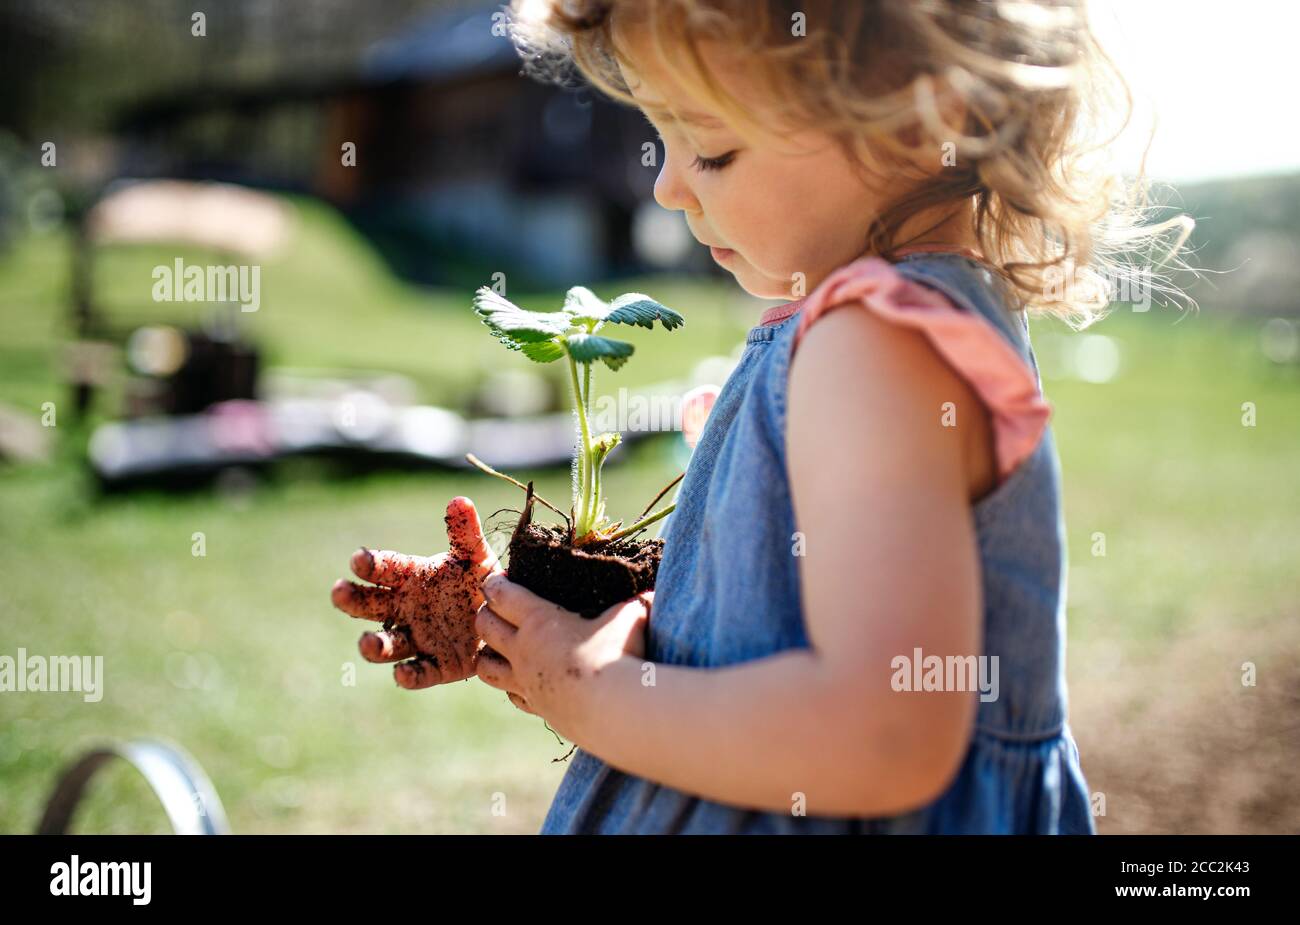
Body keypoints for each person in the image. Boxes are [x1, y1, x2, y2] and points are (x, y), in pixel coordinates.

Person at [332, 0, 1189, 833]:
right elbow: (752, 632)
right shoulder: (868, 329)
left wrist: (594, 693)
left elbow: (883, 732)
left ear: (921, 111)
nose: (667, 185)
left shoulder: (877, 346)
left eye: (710, 148)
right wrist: (523, 625)